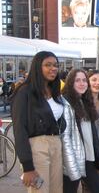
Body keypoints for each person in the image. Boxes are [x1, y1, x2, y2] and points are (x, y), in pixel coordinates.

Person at [11, 51, 64, 193]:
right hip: (37, 147)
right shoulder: (24, 92)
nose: (53, 68)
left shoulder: (54, 90)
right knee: (40, 190)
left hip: (56, 144)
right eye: (48, 65)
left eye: (55, 65)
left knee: (56, 189)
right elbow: (19, 129)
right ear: (37, 67)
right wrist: (28, 167)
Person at [61, 69, 99, 193]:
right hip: (73, 159)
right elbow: (65, 136)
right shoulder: (66, 103)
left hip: (88, 157)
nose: (82, 83)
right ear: (70, 83)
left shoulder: (85, 101)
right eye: (77, 80)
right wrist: (71, 163)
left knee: (97, 189)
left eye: (84, 80)